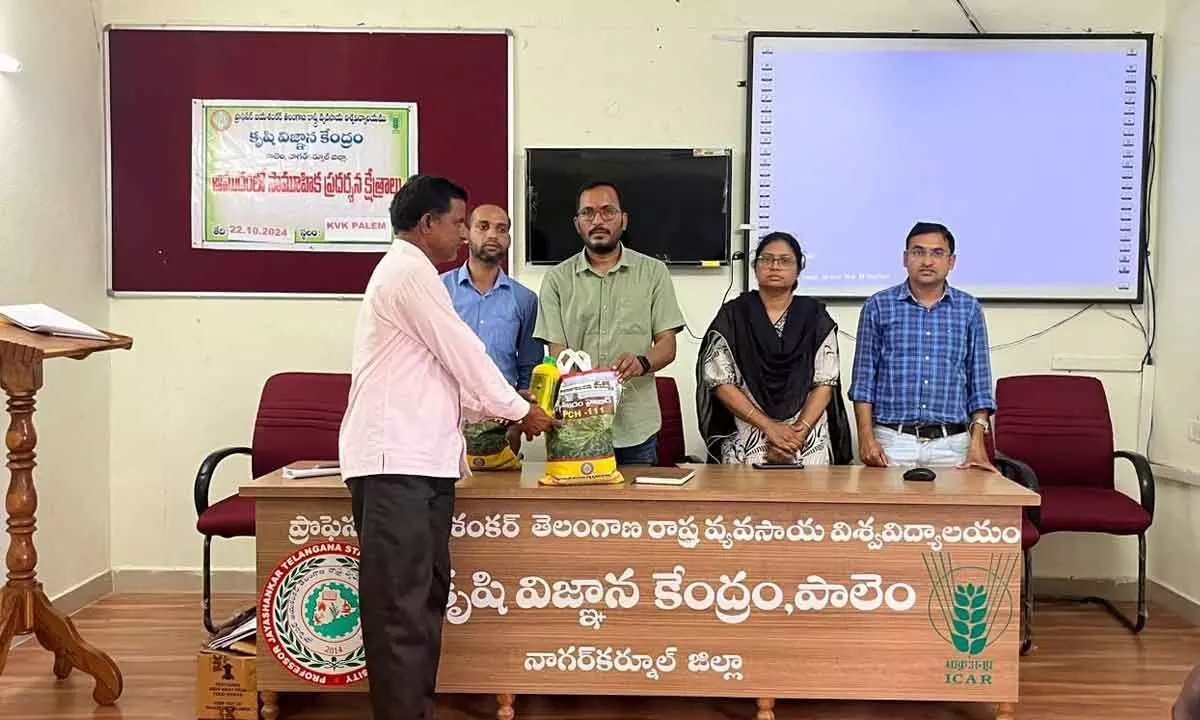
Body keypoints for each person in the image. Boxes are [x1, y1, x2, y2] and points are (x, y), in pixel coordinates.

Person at [338, 175, 556, 720]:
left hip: (423, 465)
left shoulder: (416, 275)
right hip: (396, 466)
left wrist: (506, 404)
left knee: (425, 600)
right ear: (427, 223)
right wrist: (519, 410)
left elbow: (447, 377)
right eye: (459, 222)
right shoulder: (409, 273)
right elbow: (467, 353)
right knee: (400, 611)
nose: (463, 234)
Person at [533, 179, 686, 465]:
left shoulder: (653, 273)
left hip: (635, 428)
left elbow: (667, 345)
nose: (598, 220)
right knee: (576, 511)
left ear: (623, 220)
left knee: (634, 510)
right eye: (588, 213)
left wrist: (643, 362)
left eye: (608, 211)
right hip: (575, 427)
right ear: (577, 223)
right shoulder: (557, 279)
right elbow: (557, 353)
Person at [848, 221, 997, 471]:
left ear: (951, 262)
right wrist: (866, 438)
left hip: (953, 445)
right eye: (918, 252)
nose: (927, 261)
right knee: (888, 512)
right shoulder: (878, 306)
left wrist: (977, 441)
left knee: (953, 513)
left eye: (937, 253)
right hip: (892, 443)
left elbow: (979, 386)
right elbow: (864, 382)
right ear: (905, 259)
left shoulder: (969, 309)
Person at [696, 231, 853, 466]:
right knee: (745, 501)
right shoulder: (733, 315)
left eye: (785, 260)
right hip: (748, 435)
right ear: (755, 267)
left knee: (810, 501)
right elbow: (719, 382)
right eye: (766, 259)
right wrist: (769, 427)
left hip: (805, 439)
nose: (775, 266)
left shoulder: (815, 316)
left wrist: (798, 434)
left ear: (799, 268)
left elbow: (825, 382)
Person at [441, 204, 541, 451]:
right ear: (466, 233)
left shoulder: (525, 300)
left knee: (500, 490)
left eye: (501, 229)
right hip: (447, 417)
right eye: (483, 227)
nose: (493, 235)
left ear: (508, 239)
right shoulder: (440, 289)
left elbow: (529, 366)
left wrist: (519, 418)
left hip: (502, 421)